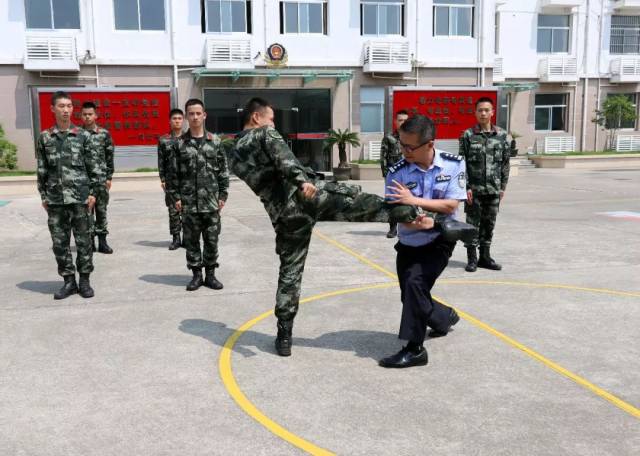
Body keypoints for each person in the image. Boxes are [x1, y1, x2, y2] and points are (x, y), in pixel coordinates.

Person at [226, 97, 424, 357]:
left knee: (290, 273)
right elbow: (284, 159)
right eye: (271, 118)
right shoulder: (264, 133)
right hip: (306, 197)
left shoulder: (232, 151)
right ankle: (425, 214)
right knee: (368, 205)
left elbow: (264, 175)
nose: (272, 122)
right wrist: (301, 180)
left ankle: (284, 334)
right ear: (256, 117)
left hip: (283, 215)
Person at [379, 115, 466, 368]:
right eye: (401, 144)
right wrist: (412, 217)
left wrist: (415, 203)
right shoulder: (398, 171)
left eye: (410, 147)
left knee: (415, 284)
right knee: (410, 295)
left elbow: (451, 204)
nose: (404, 151)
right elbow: (395, 211)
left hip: (440, 239)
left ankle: (415, 348)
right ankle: (442, 317)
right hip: (409, 241)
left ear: (430, 144)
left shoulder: (453, 165)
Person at [36, 91, 100, 299]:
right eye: (61, 106)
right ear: (52, 109)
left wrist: (93, 193)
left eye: (69, 106)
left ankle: (85, 281)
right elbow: (42, 169)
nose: (66, 110)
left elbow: (93, 168)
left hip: (80, 199)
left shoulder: (83, 136)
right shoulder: (45, 137)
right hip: (55, 200)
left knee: (84, 242)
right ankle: (68, 281)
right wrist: (44, 196)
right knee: (60, 243)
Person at [167, 99, 229, 291]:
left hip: (211, 203)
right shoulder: (179, 145)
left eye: (198, 113)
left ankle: (210, 275)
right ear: (186, 116)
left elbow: (223, 171)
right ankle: (196, 276)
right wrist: (176, 198)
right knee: (192, 241)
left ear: (204, 115)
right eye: (191, 114)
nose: (194, 117)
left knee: (212, 240)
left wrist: (223, 195)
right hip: (189, 203)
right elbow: (172, 175)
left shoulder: (215, 142)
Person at [458, 97, 510, 272]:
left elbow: (504, 163)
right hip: (474, 190)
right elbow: (461, 164)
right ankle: (472, 259)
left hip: (494, 189)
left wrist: (503, 187)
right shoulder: (468, 135)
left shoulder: (502, 136)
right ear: (475, 112)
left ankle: (485, 257)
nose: (483, 113)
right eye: (480, 110)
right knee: (472, 225)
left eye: (486, 110)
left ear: (492, 112)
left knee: (489, 224)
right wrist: (464, 188)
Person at [81, 101, 115, 254]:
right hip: (83, 181)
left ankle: (103, 242)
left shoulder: (103, 134)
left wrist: (109, 177)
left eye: (90, 114)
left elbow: (109, 156)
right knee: (86, 213)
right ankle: (89, 243)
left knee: (101, 211)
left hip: (100, 180)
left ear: (95, 115)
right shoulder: (76, 134)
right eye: (85, 114)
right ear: (81, 116)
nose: (87, 117)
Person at [158, 108, 184, 250]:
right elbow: (161, 161)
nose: (177, 121)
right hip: (171, 180)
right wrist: (162, 179)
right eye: (174, 118)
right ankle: (176, 238)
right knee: (173, 210)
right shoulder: (163, 140)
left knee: (187, 210)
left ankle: (187, 238)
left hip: (187, 180)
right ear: (170, 121)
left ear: (183, 120)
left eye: (179, 118)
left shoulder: (189, 138)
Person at [380, 109, 409, 238]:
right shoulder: (389, 138)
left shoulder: (412, 137)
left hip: (409, 173)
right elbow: (383, 157)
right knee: (392, 201)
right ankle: (393, 228)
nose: (403, 123)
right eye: (400, 120)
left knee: (409, 200)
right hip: (394, 174)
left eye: (405, 120)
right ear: (395, 122)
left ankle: (408, 227)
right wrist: (386, 174)